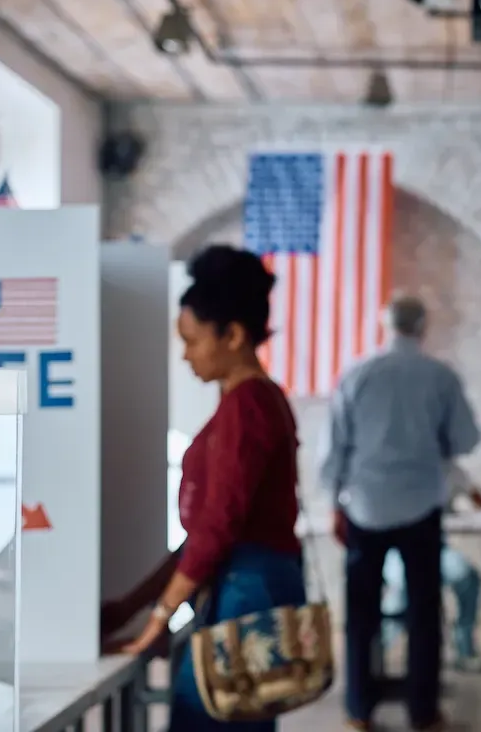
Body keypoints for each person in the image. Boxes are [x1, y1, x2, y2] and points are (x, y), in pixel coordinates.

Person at [108, 245, 306, 732]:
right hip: (246, 588)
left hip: (244, 593)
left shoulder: (246, 407)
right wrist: (134, 606)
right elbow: (206, 532)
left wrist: (158, 615)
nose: (186, 354)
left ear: (233, 335)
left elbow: (217, 526)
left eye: (192, 340)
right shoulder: (255, 402)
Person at [323, 295, 481, 732]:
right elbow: (465, 439)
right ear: (421, 327)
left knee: (360, 614)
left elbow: (335, 449)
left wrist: (335, 504)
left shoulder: (356, 375)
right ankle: (423, 710)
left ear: (385, 325)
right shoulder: (440, 377)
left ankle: (359, 709)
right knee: (424, 612)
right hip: (420, 507)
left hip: (365, 507)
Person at [380, 468, 481, 674]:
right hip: (394, 551)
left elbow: (480, 501)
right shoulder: (394, 467)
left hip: (436, 549)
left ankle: (464, 647)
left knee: (467, 576)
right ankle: (377, 653)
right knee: (405, 590)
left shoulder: (450, 468)